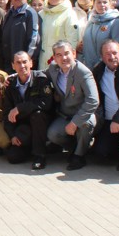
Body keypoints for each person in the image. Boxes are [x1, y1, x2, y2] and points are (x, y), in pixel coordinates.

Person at [45, 41, 99, 170]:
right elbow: (39, 75)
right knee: (52, 134)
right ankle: (75, 146)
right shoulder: (53, 68)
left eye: (66, 53)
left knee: (86, 124)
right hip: (65, 114)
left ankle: (79, 156)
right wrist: (13, 76)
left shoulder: (83, 72)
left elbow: (93, 101)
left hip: (84, 114)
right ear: (54, 58)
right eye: (59, 55)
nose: (63, 58)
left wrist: (75, 123)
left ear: (74, 53)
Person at [2, 51, 53, 169]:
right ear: (13, 66)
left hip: (41, 123)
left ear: (31, 63)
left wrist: (20, 108)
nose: (22, 66)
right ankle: (30, 147)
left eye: (25, 62)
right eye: (18, 63)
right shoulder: (10, 84)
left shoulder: (41, 80)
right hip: (23, 127)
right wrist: (12, 135)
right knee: (13, 158)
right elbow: (7, 113)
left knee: (37, 114)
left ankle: (40, 155)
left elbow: (46, 103)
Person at [38, 0, 80, 70]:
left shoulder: (69, 14)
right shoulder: (41, 14)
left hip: (61, 62)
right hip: (42, 61)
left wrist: (65, 60)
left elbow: (72, 40)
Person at [0, 0, 40, 72]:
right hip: (9, 64)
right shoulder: (9, 13)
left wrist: (26, 61)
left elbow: (34, 40)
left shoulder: (30, 13)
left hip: (22, 66)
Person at [79, 0, 119, 69]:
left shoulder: (115, 21)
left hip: (105, 67)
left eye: (105, 2)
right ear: (94, 4)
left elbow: (117, 46)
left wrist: (100, 64)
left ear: (110, 4)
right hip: (87, 66)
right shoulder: (91, 20)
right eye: (98, 2)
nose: (102, 5)